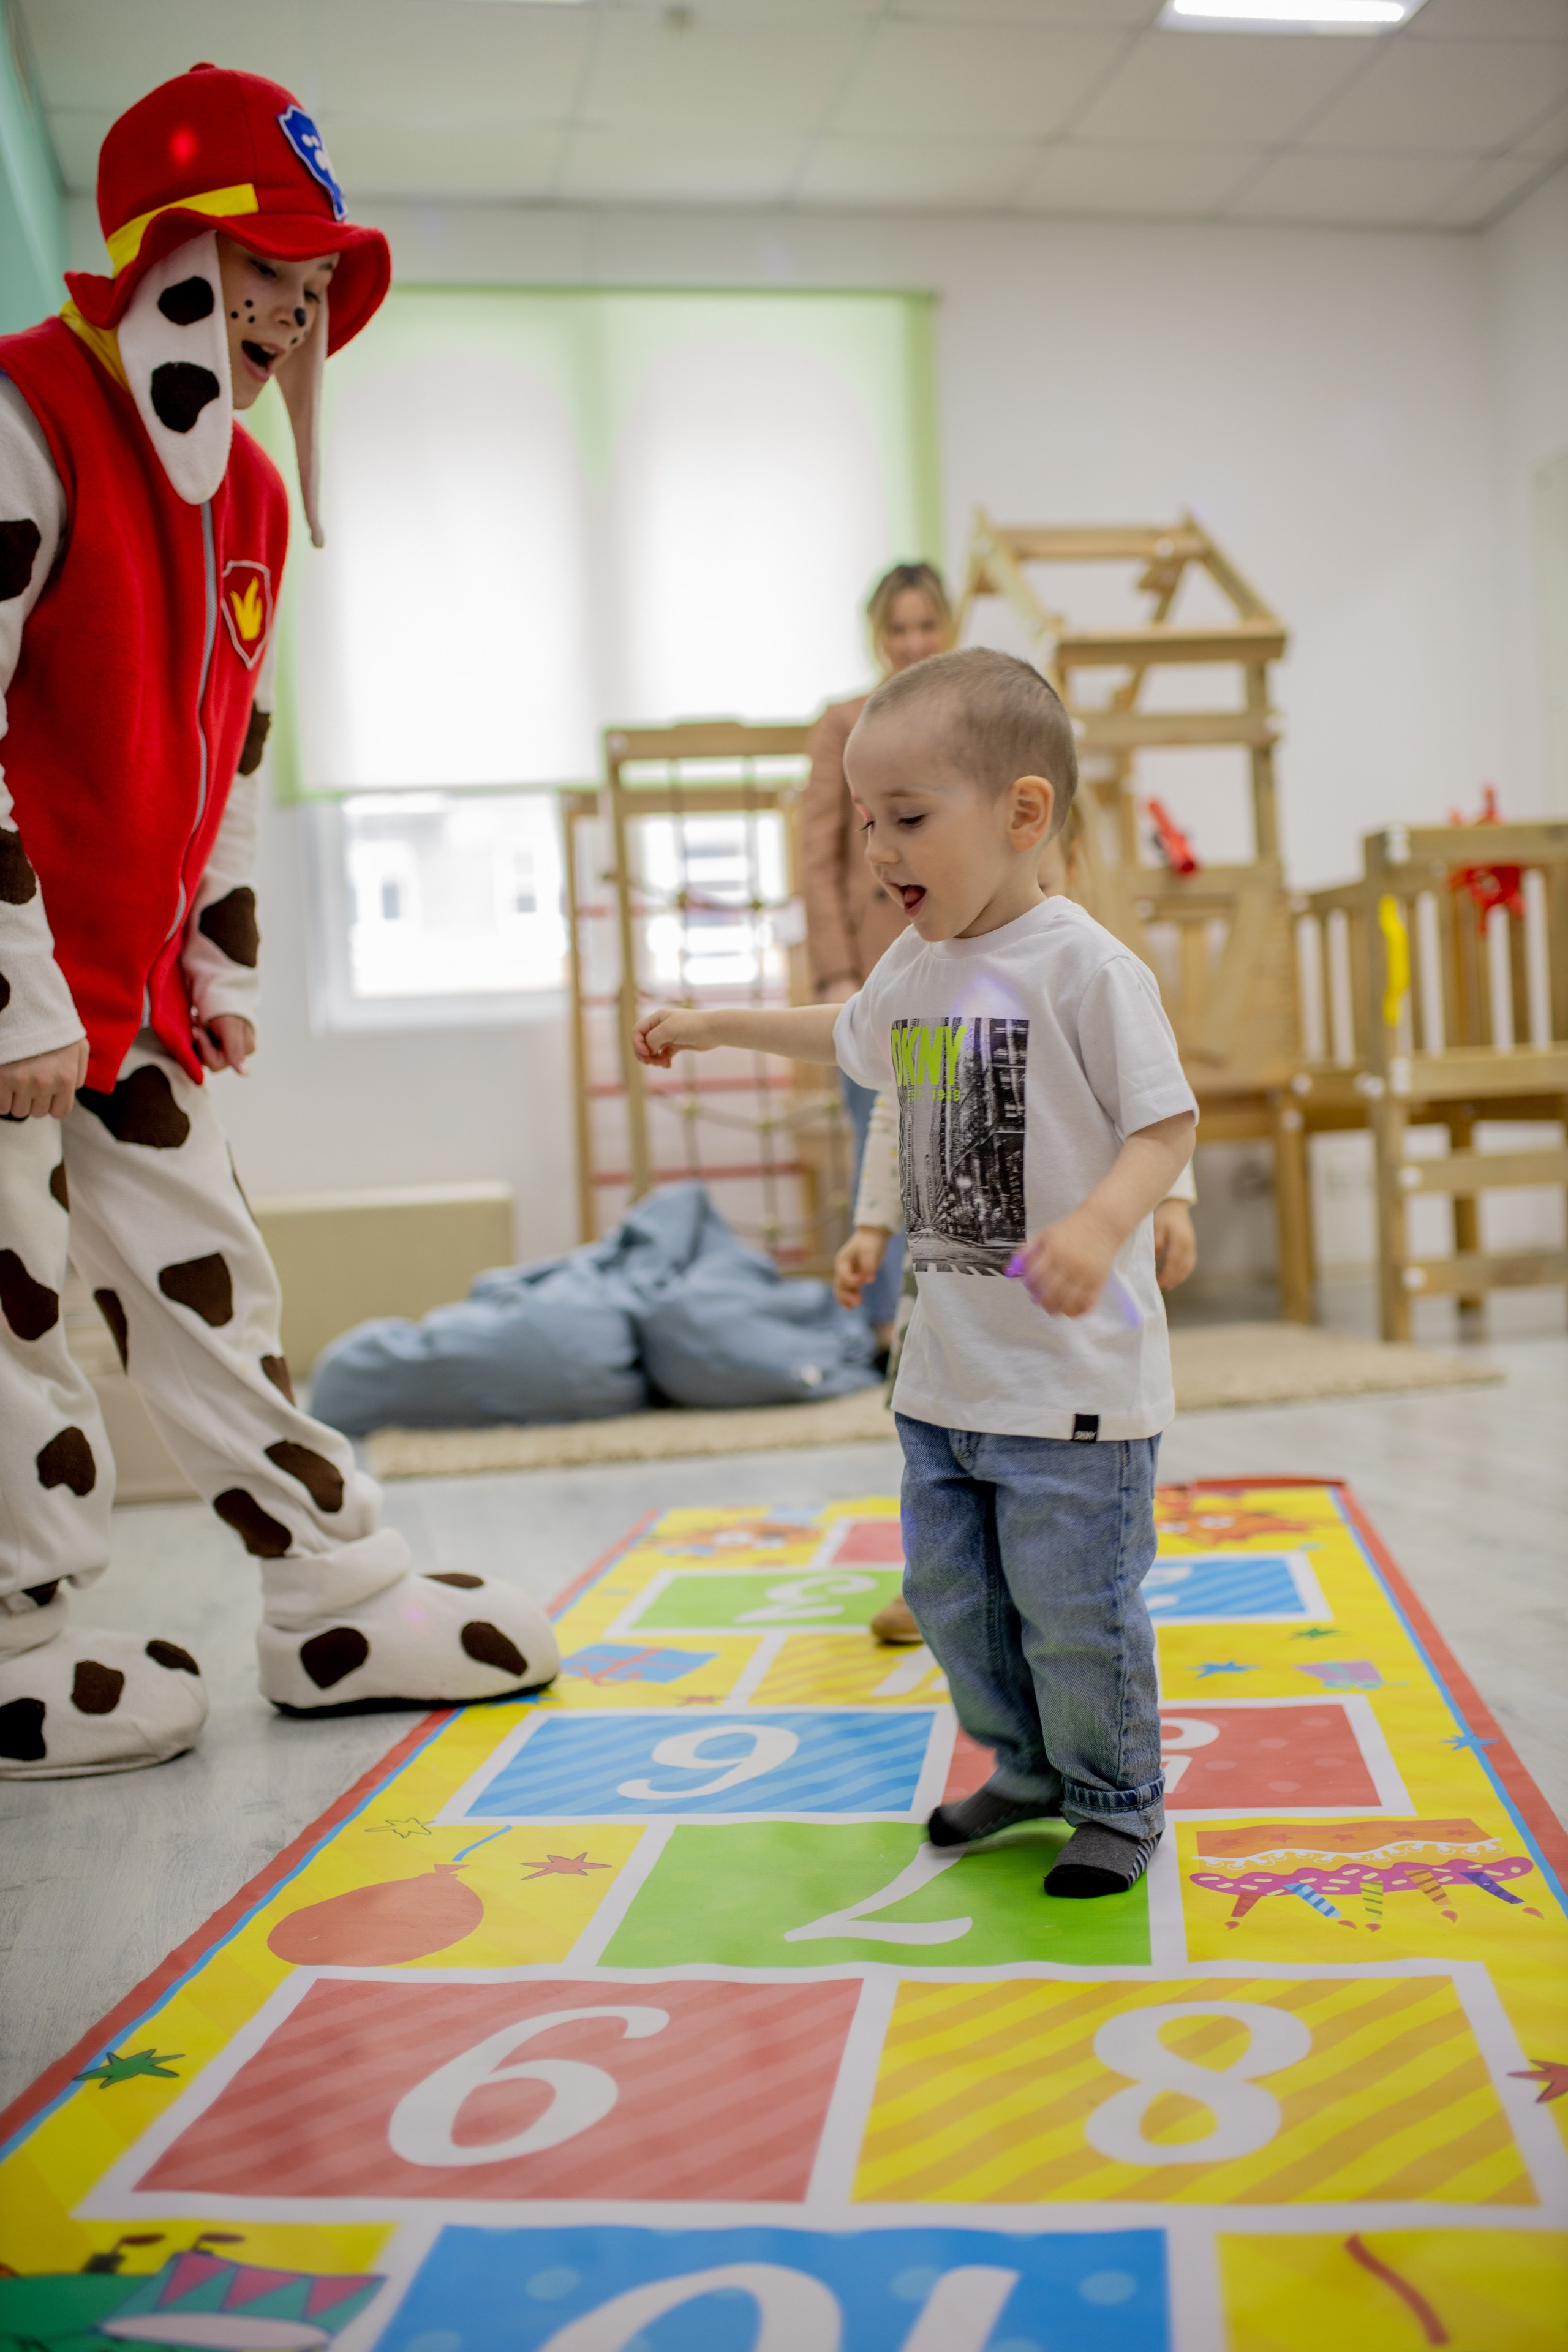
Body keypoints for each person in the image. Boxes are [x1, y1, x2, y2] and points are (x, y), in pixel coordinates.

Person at [0, 65, 557, 1780]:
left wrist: (215, 959)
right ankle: (16, 1636)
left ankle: (329, 1590)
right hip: (19, 984)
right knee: (13, 1307)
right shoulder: (26, 412)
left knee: (210, 1282)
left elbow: (232, 748)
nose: (298, 322)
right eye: (270, 287)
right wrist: (15, 987)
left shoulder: (243, 498)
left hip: (130, 994)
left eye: (313, 299)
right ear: (180, 263)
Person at [635, 648, 1196, 1901]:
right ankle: (1028, 1768)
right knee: (955, 1601)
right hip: (943, 1383)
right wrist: (715, 1023)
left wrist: (1104, 1227)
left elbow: (1164, 1128)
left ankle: (1112, 1796)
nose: (879, 851)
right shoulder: (912, 966)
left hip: (1070, 1392)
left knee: (1075, 1611)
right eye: (863, 822)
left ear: (1021, 814)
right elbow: (847, 1048)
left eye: (907, 820)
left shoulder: (1086, 970)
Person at [837, 804, 1198, 1643]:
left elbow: (1155, 1114)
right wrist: (870, 1228)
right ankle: (944, 1582)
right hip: (951, 1284)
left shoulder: (1086, 972)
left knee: (1051, 1496)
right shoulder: (920, 984)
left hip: (1057, 1314)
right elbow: (894, 1114)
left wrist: (1174, 1202)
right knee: (940, 1441)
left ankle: (1035, 1594)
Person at [799, 562, 954, 1351]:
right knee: (884, 1132)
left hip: (959, 958)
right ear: (877, 636)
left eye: (926, 625)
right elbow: (818, 853)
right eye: (898, 628)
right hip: (874, 960)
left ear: (948, 629)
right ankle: (887, 1324)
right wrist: (832, 968)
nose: (913, 642)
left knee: (952, 1128)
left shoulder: (971, 717)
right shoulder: (844, 723)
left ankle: (945, 1311)